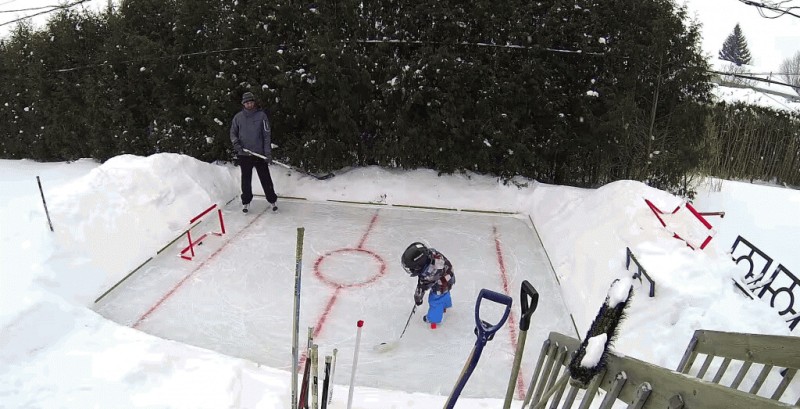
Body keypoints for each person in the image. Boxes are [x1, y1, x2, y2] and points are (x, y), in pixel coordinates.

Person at [230, 91, 278, 213]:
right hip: (244, 154)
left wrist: (267, 153)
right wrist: (236, 143)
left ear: (254, 102)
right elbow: (233, 133)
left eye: (251, 102)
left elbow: (266, 135)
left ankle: (272, 200)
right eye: (246, 103)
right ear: (243, 104)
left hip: (259, 154)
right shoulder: (238, 117)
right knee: (246, 179)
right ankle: (246, 201)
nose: (249, 105)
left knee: (265, 178)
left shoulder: (261, 116)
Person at [401, 242, 456, 329]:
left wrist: (418, 297)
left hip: (443, 282)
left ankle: (434, 319)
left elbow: (423, 285)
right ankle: (445, 305)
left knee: (435, 300)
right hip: (447, 276)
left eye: (413, 268)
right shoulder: (429, 255)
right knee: (444, 294)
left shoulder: (431, 271)